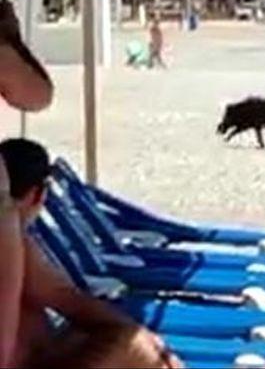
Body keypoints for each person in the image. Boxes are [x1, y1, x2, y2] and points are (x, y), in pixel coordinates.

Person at [0, 139, 183, 369]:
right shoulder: (15, 244)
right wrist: (144, 342)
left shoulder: (18, 246)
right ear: (39, 194)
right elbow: (67, 298)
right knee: (129, 345)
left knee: (123, 342)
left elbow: (65, 298)